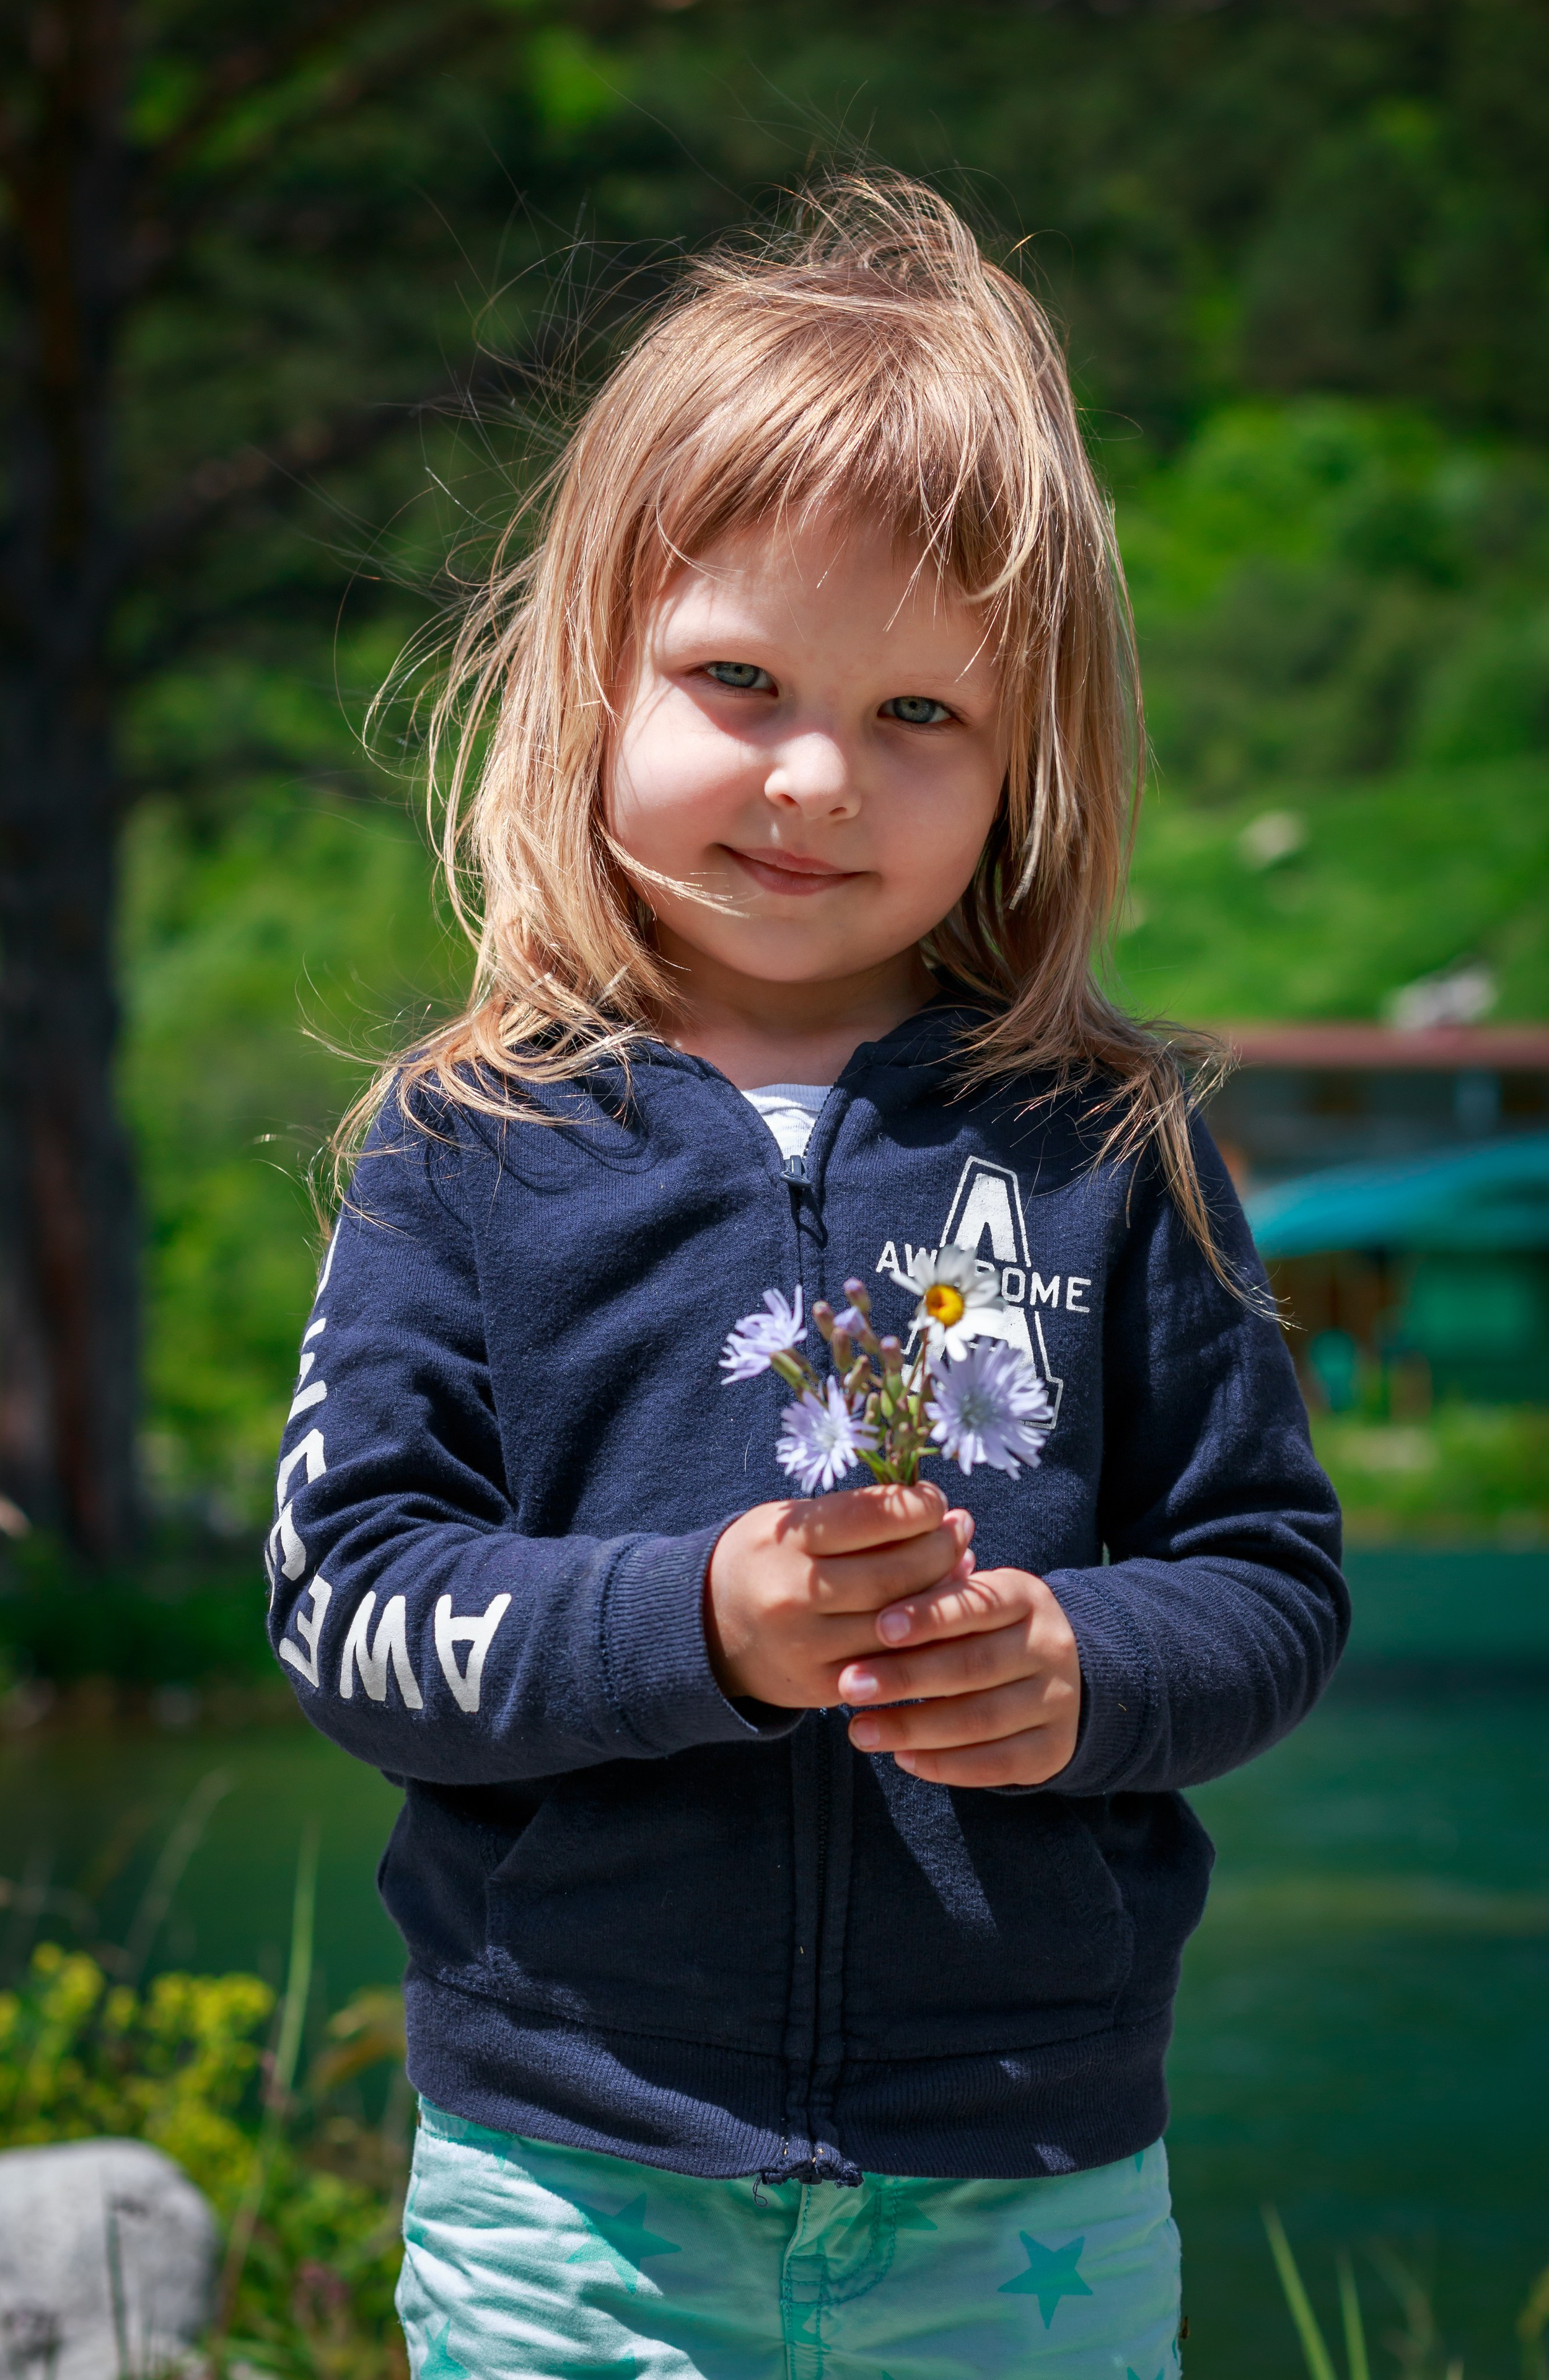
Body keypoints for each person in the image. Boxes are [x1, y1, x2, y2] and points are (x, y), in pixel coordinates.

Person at [268, 176, 1346, 2380]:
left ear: (1032, 758)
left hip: (1029, 2186)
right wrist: (701, 1629)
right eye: (737, 677)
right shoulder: (467, 1147)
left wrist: (1085, 1669)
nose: (815, 779)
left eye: (922, 715)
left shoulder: (1113, 1145)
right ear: (591, 668)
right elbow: (347, 1606)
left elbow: (1270, 1580)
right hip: (574, 2198)